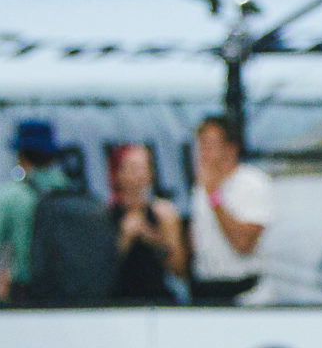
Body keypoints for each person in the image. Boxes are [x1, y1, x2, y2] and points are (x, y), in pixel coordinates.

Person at [0, 117, 71, 306]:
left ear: (20, 155)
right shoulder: (71, 192)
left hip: (26, 296)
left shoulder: (8, 195)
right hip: (73, 297)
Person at [188, 113, 272, 305]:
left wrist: (214, 198)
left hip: (245, 294)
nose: (203, 152)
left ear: (230, 148)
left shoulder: (253, 183)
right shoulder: (199, 189)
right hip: (207, 291)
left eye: (210, 144)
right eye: (201, 144)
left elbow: (243, 244)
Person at [105, 143, 184, 305]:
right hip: (119, 301)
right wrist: (125, 239)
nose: (140, 176)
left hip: (157, 299)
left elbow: (179, 269)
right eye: (134, 168)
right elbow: (100, 271)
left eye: (144, 168)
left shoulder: (163, 213)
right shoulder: (105, 216)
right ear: (119, 174)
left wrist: (153, 238)